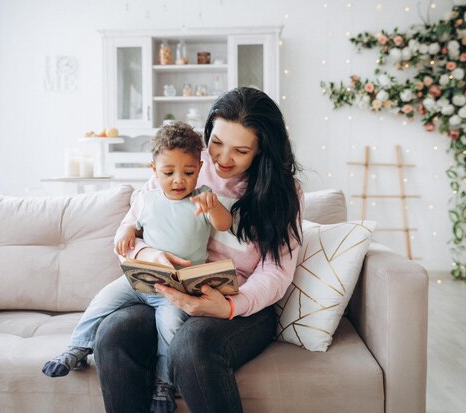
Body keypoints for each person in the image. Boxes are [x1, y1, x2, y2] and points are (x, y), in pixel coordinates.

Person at [95, 87, 303, 413]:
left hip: (240, 305)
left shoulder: (282, 192)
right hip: (166, 295)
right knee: (113, 334)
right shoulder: (186, 165)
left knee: (191, 347)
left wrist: (231, 307)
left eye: (240, 151)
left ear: (261, 152)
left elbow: (276, 270)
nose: (221, 158)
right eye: (216, 142)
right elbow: (128, 234)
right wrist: (149, 255)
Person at [42, 122, 232, 413]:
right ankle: (77, 347)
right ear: (154, 169)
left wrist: (214, 205)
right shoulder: (147, 199)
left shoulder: (201, 198)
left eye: (189, 172)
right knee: (102, 301)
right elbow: (133, 223)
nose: (179, 180)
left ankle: (163, 383)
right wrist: (126, 230)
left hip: (175, 290)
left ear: (200, 167)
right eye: (169, 173)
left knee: (170, 329)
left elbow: (224, 224)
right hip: (141, 280)